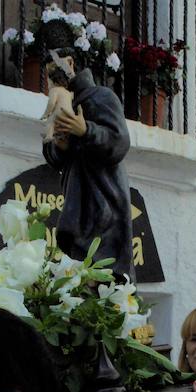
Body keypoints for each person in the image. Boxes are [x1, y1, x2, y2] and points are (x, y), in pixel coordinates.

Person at [42, 50, 133, 281]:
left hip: (104, 199)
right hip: (78, 203)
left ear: (70, 63)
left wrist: (86, 130)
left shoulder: (101, 97)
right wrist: (60, 145)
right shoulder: (63, 102)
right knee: (79, 271)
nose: (49, 80)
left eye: (52, 71)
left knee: (105, 271)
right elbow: (53, 153)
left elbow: (119, 141)